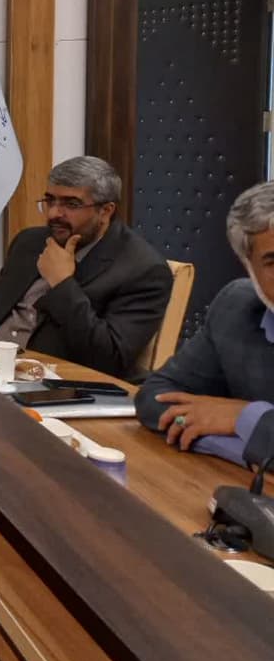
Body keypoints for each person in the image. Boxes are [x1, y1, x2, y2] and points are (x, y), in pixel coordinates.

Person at [0, 156, 172, 377]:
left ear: (105, 211)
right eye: (50, 200)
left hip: (55, 386)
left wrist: (62, 284)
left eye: (71, 204)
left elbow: (109, 359)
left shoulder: (143, 270)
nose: (54, 214)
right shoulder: (30, 242)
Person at [135, 182, 274, 467]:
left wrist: (245, 419)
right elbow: (155, 396)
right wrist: (235, 443)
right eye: (273, 262)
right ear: (249, 267)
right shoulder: (236, 307)